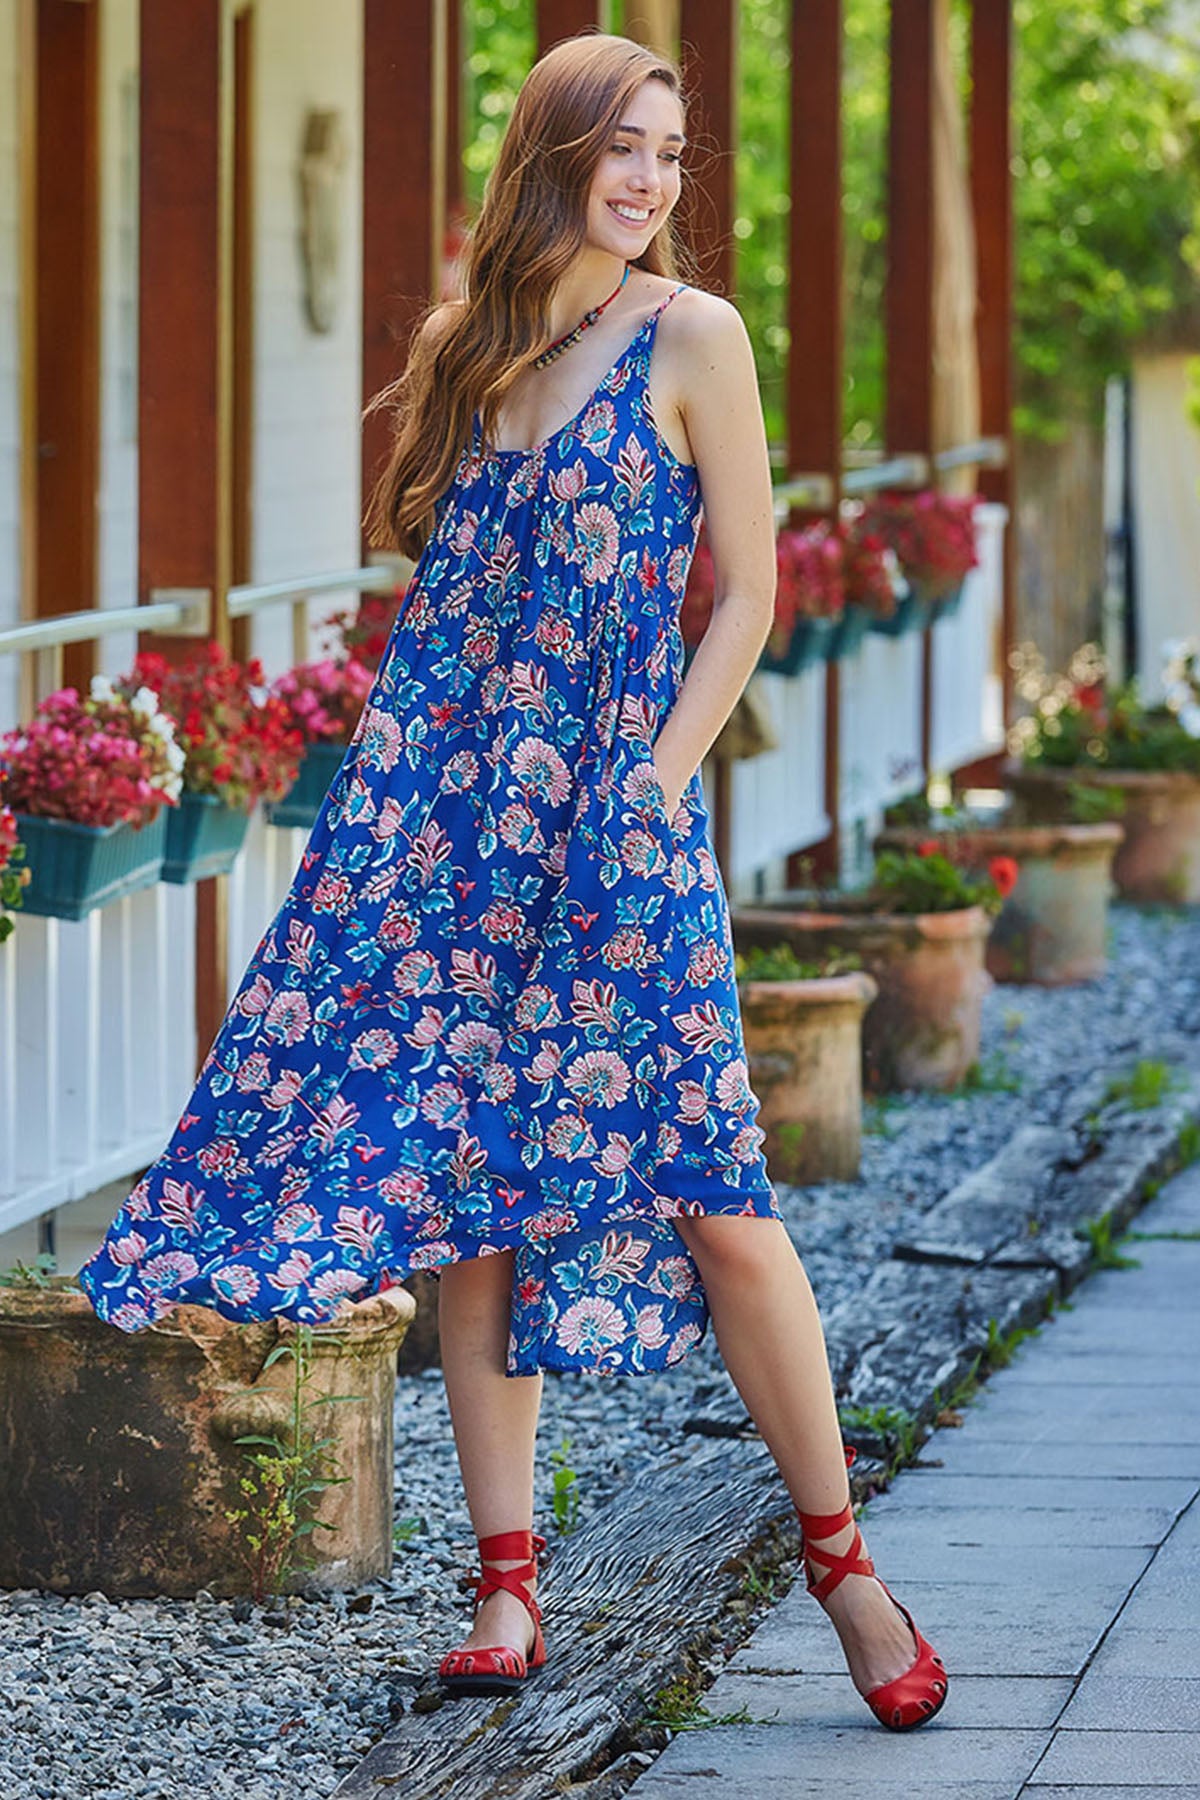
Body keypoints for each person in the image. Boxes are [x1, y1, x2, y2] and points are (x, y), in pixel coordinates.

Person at [78, 31, 946, 1733]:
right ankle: (505, 1579)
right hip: (459, 829)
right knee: (472, 1198)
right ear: (546, 156)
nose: (651, 183)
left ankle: (845, 1566)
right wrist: (394, 818)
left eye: (673, 157)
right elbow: (450, 628)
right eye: (622, 149)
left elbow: (750, 596)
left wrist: (656, 780)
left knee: (716, 1189)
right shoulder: (469, 354)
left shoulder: (696, 339)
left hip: (619, 820)